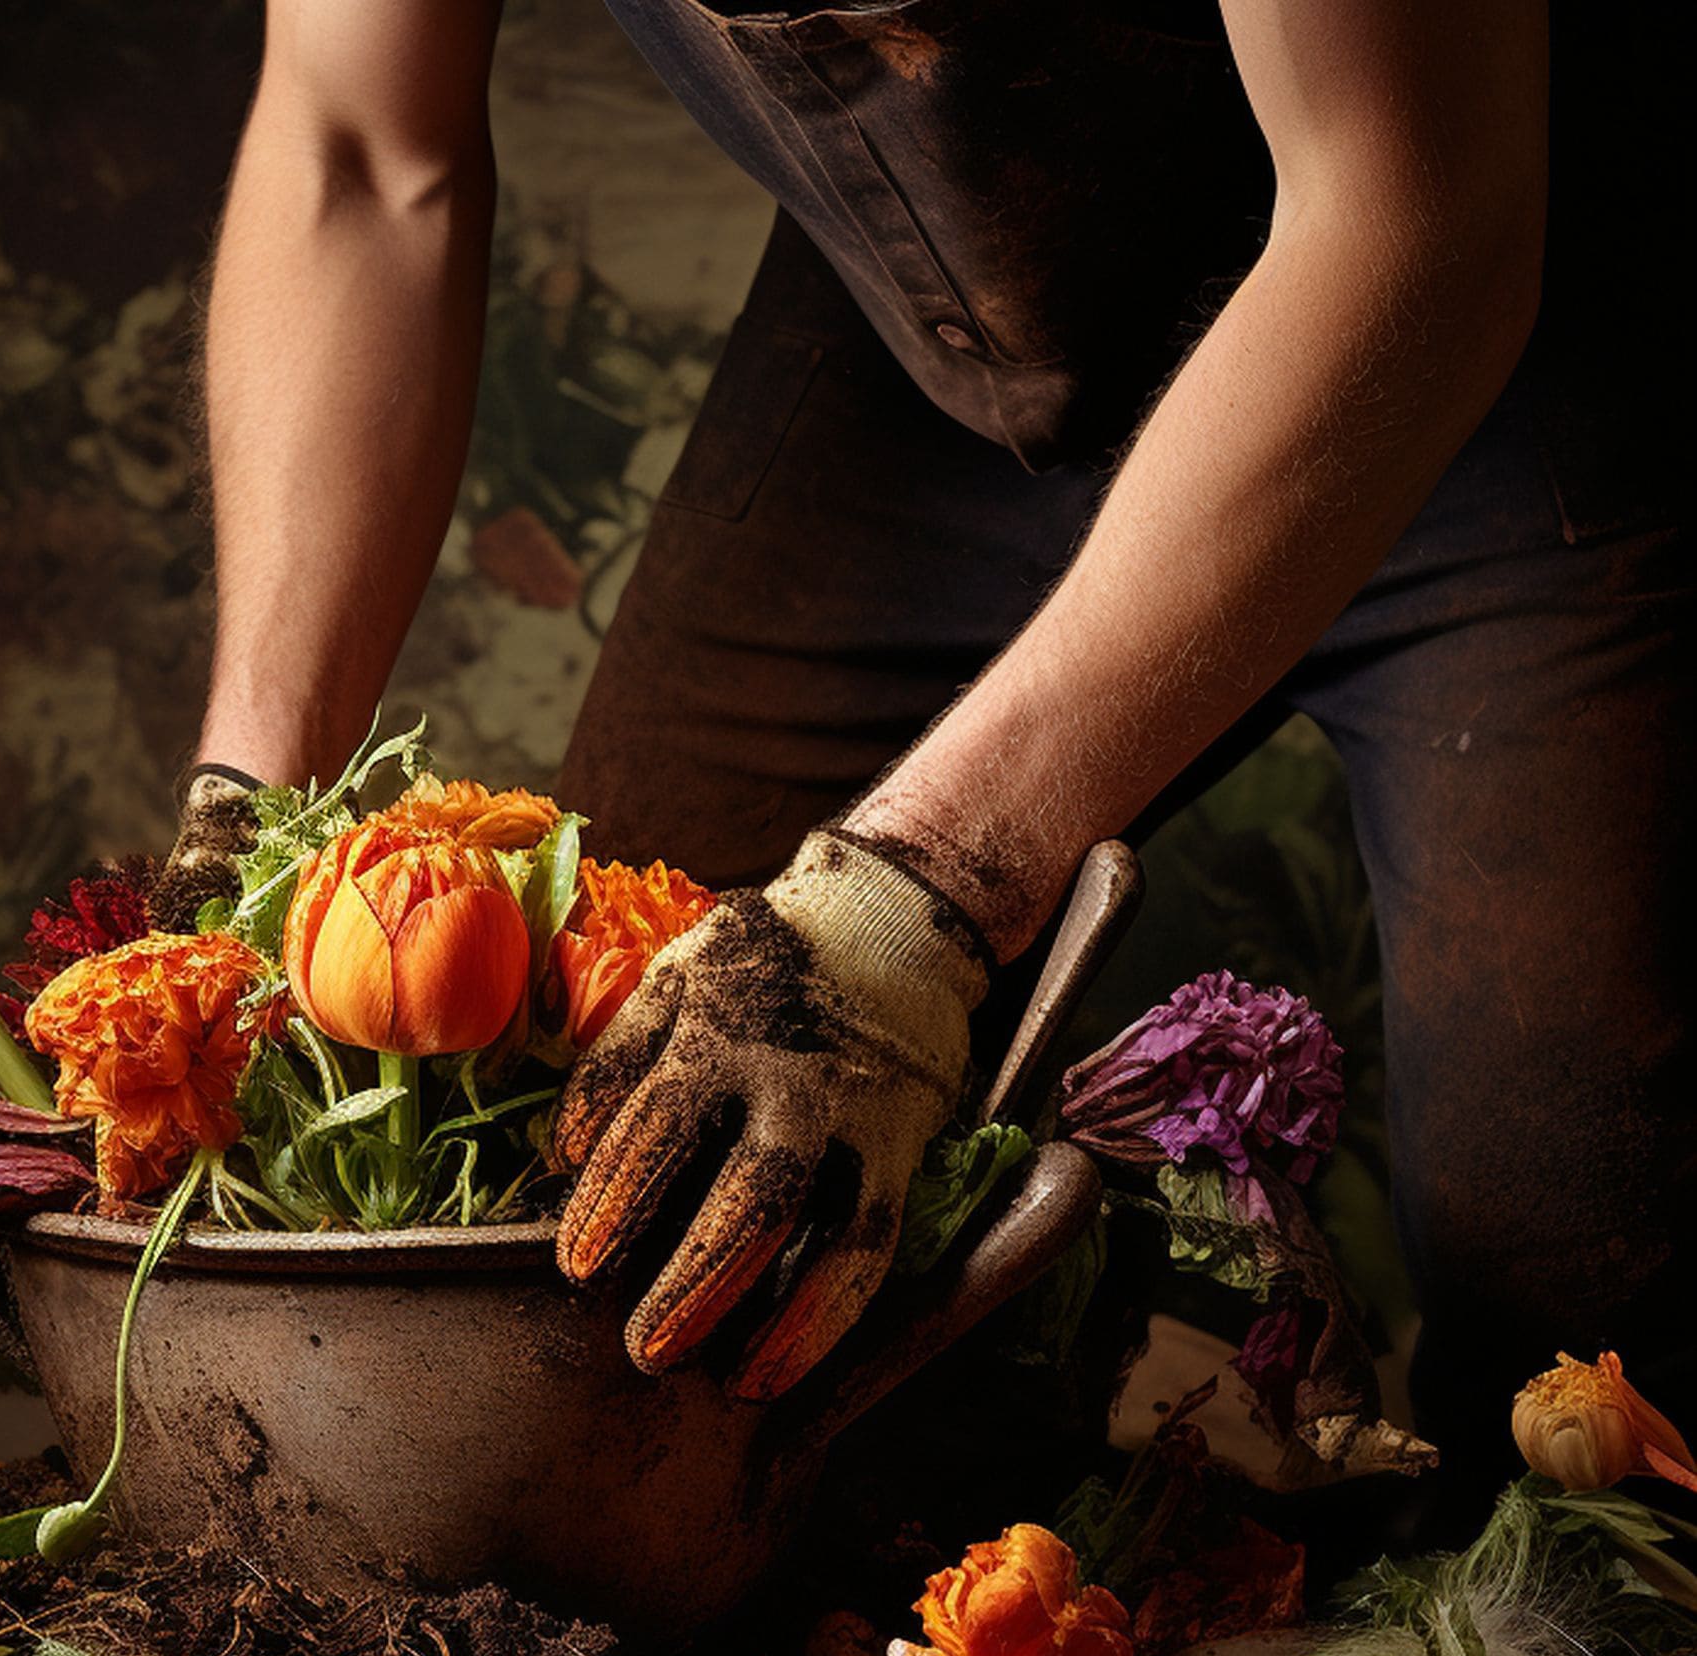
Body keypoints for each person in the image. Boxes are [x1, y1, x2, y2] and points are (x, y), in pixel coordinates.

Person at [172, 0, 1688, 1480]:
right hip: (940, 353)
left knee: (1589, 1311)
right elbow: (360, 154)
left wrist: (925, 887)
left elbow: (1413, 222)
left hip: (1516, 332)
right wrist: (243, 809)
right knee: (608, 1104)